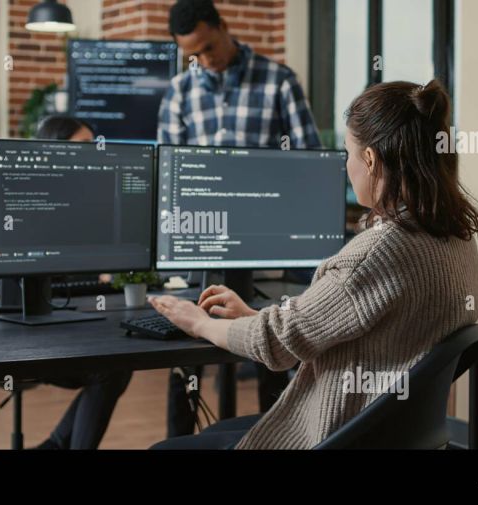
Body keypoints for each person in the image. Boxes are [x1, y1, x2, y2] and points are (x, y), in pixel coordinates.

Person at [148, 79, 478, 449]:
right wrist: (251, 316)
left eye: (347, 154)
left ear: (370, 160)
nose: (346, 166)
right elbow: (333, 330)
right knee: (217, 433)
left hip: (335, 434)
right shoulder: (457, 236)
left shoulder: (378, 253)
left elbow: (276, 344)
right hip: (392, 434)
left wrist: (199, 324)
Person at [158, 0, 323, 438]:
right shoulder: (180, 91)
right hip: (203, 241)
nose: (204, 61)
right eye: (193, 54)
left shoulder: (279, 82)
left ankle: (276, 438)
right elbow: (169, 175)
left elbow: (309, 166)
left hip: (265, 242)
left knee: (268, 342)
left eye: (209, 48)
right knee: (186, 350)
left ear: (222, 27)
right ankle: (180, 444)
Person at [30, 115, 132, 450]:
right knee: (111, 368)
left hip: (80, 322)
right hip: (36, 332)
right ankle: (58, 444)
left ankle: (56, 445)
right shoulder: (34, 197)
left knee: (116, 363)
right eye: (84, 146)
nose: (96, 153)